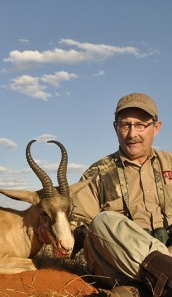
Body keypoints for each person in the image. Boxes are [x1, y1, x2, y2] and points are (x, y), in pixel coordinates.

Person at [72, 93, 172, 296]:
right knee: (102, 222)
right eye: (125, 125)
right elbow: (79, 228)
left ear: (156, 127)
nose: (132, 134)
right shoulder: (96, 173)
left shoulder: (169, 163)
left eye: (140, 125)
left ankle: (139, 290)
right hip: (120, 263)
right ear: (115, 128)